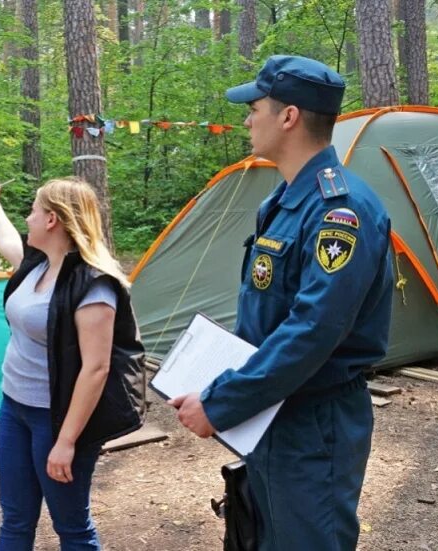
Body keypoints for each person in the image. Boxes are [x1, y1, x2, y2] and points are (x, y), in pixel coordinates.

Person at [169, 55, 394, 550]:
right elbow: (270, 315)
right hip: (272, 411)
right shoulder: (284, 200)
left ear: (288, 116)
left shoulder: (342, 211)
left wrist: (222, 400)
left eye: (255, 108)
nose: (247, 119)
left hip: (315, 424)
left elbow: (313, 329)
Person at [0, 175, 146, 551]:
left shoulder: (94, 286)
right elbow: (7, 240)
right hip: (15, 409)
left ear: (52, 219)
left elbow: (96, 368)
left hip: (56, 421)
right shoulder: (38, 264)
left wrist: (67, 441)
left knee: (71, 528)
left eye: (34, 211)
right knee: (15, 520)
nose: (28, 218)